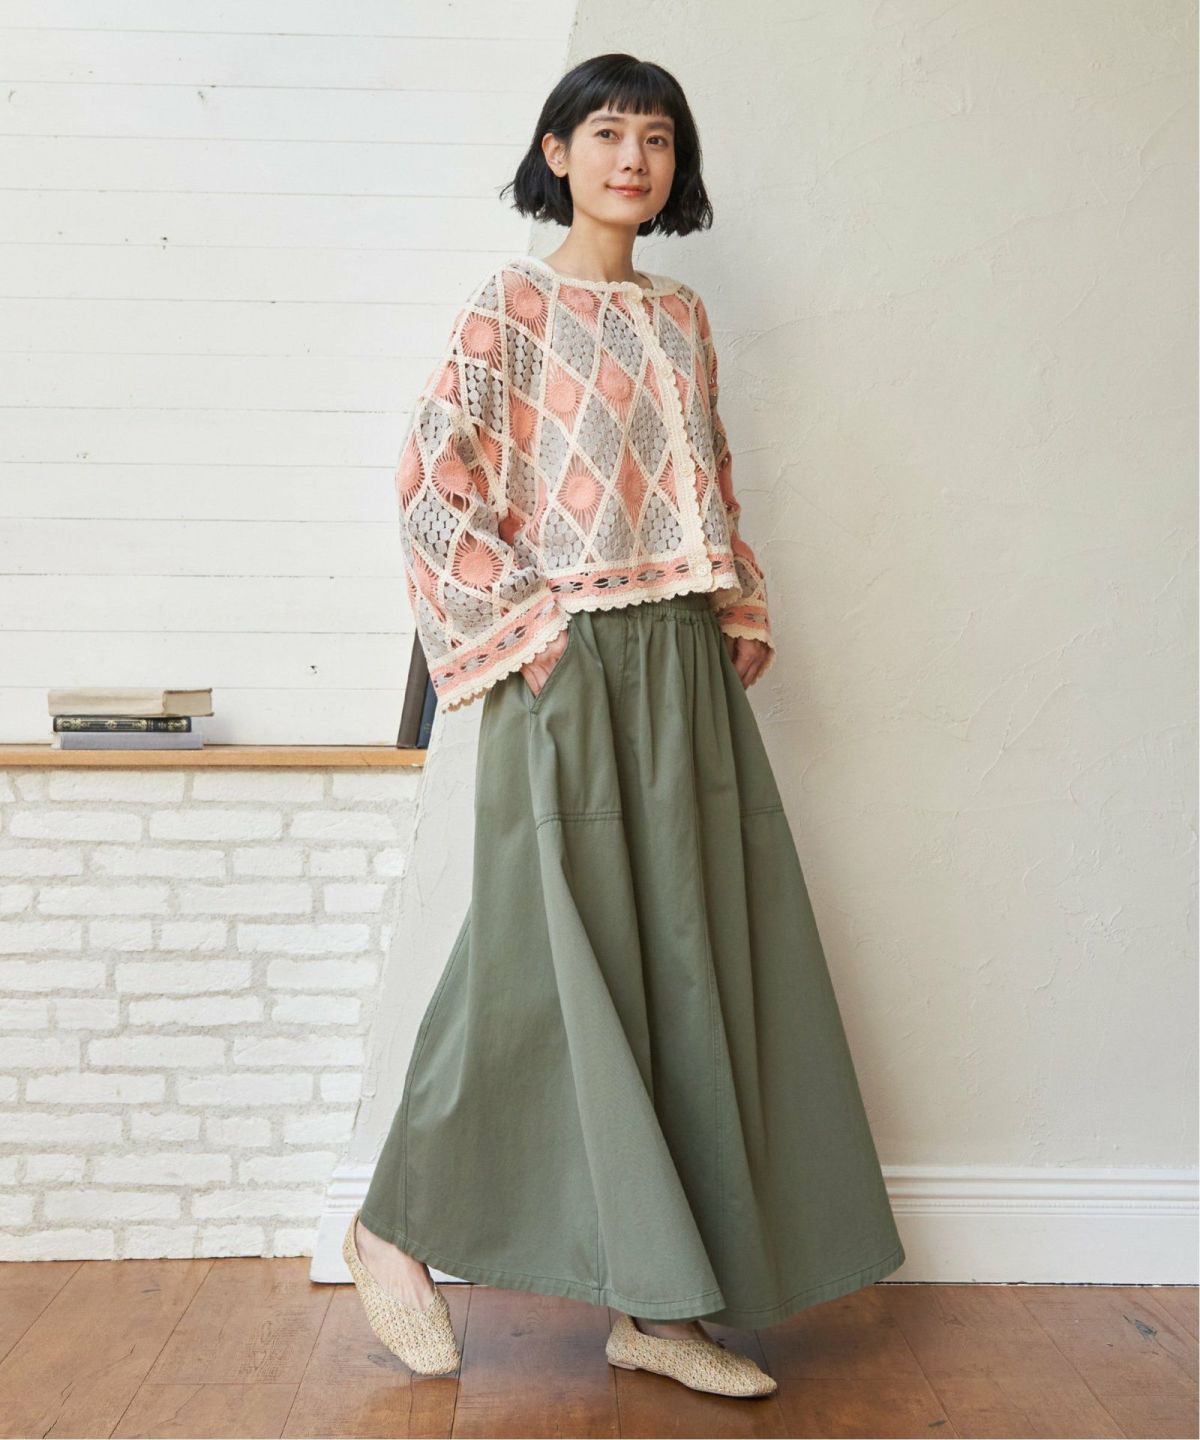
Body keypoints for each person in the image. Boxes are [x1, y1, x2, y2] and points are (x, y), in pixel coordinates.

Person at [341, 52, 906, 1399]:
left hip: (684, 655)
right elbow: (429, 478)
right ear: (556, 152)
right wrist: (529, 629)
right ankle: (391, 1228)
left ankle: (659, 1304)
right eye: (606, 133)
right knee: (538, 960)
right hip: (566, 656)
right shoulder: (513, 307)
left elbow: (705, 476)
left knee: (688, 964)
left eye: (656, 139)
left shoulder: (682, 318)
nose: (632, 159)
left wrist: (738, 602)